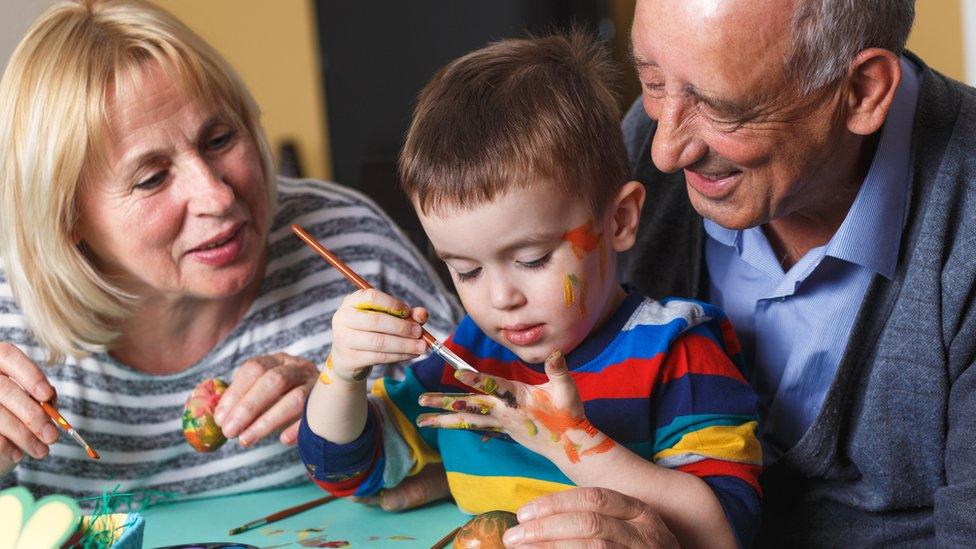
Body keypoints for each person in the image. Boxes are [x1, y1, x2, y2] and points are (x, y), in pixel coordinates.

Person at [508, 0, 976, 546]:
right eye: (652, 80)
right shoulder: (647, 144)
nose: (664, 152)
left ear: (863, 92)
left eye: (721, 108)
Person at [298, 32, 763, 549]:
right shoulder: (470, 362)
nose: (500, 298)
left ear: (620, 221)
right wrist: (340, 374)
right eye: (466, 270)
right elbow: (347, 471)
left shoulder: (678, 352)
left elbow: (725, 530)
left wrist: (572, 443)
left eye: (532, 259)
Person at [0, 0, 458, 502]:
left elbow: (499, 411)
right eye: (151, 178)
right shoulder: (10, 318)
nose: (218, 196)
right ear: (67, 219)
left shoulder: (346, 239)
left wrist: (351, 414)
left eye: (219, 139)